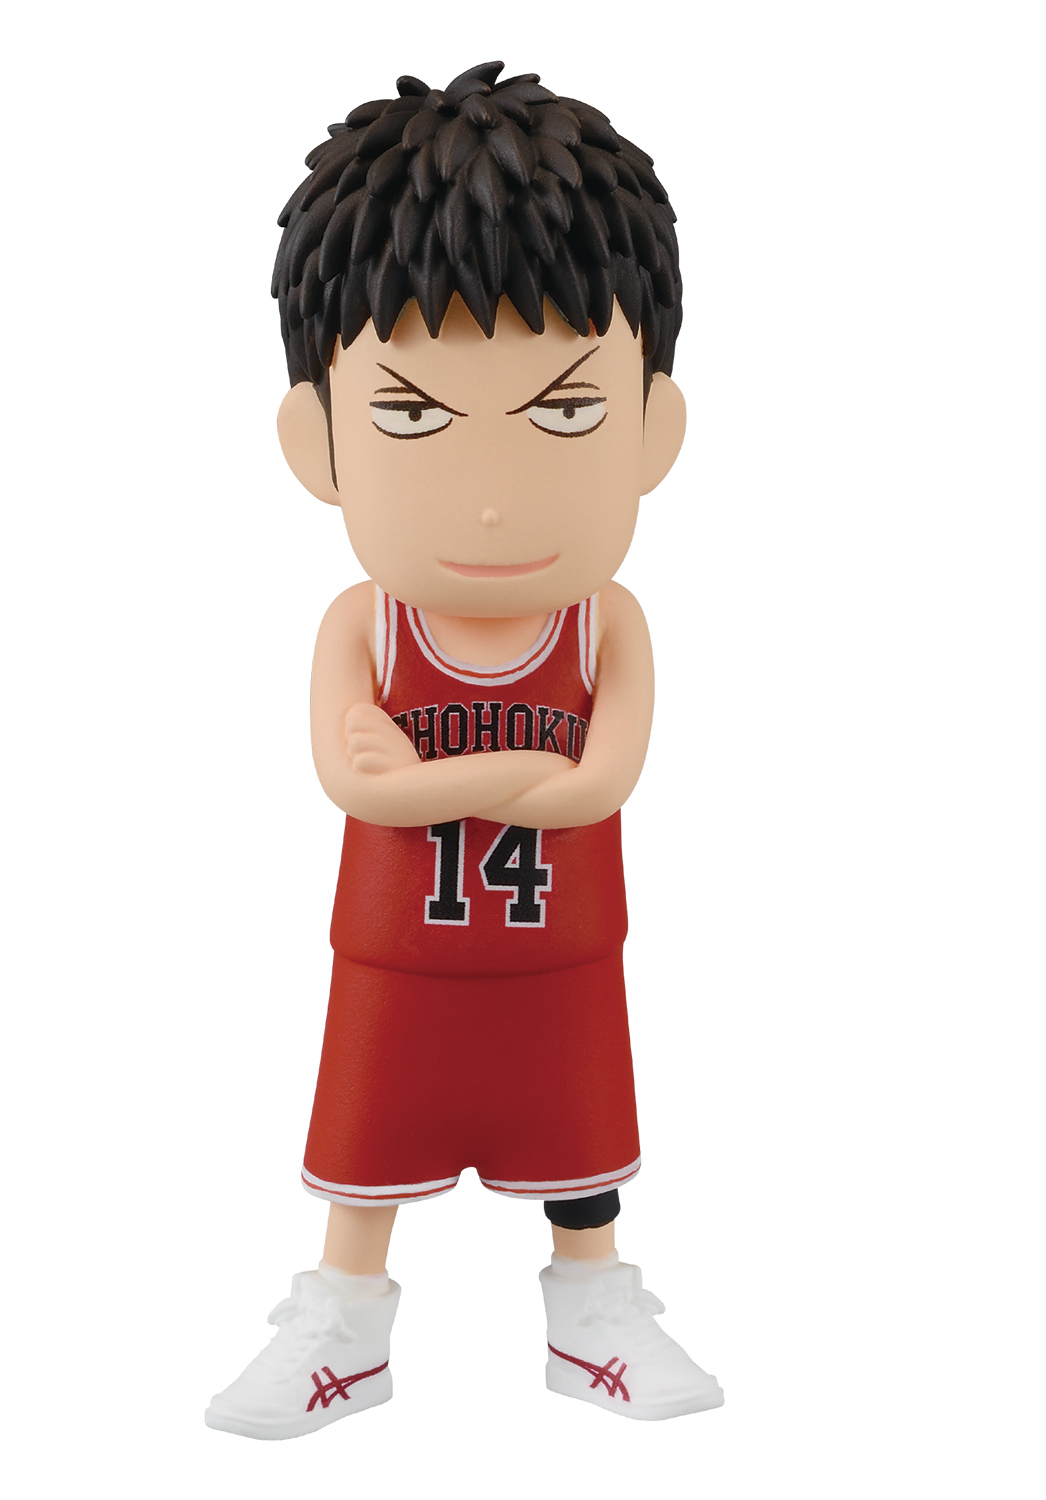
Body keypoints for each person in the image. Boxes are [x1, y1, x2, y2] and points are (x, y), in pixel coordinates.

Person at [205, 62, 723, 1438]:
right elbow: (347, 782)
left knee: (581, 1151)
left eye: (566, 411)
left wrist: (435, 785)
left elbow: (600, 784)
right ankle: (343, 1327)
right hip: (399, 964)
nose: (491, 498)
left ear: (653, 428)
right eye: (411, 415)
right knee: (365, 1146)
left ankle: (593, 1314)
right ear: (316, 443)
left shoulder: (607, 621)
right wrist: (516, 785)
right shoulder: (361, 626)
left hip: (563, 962)